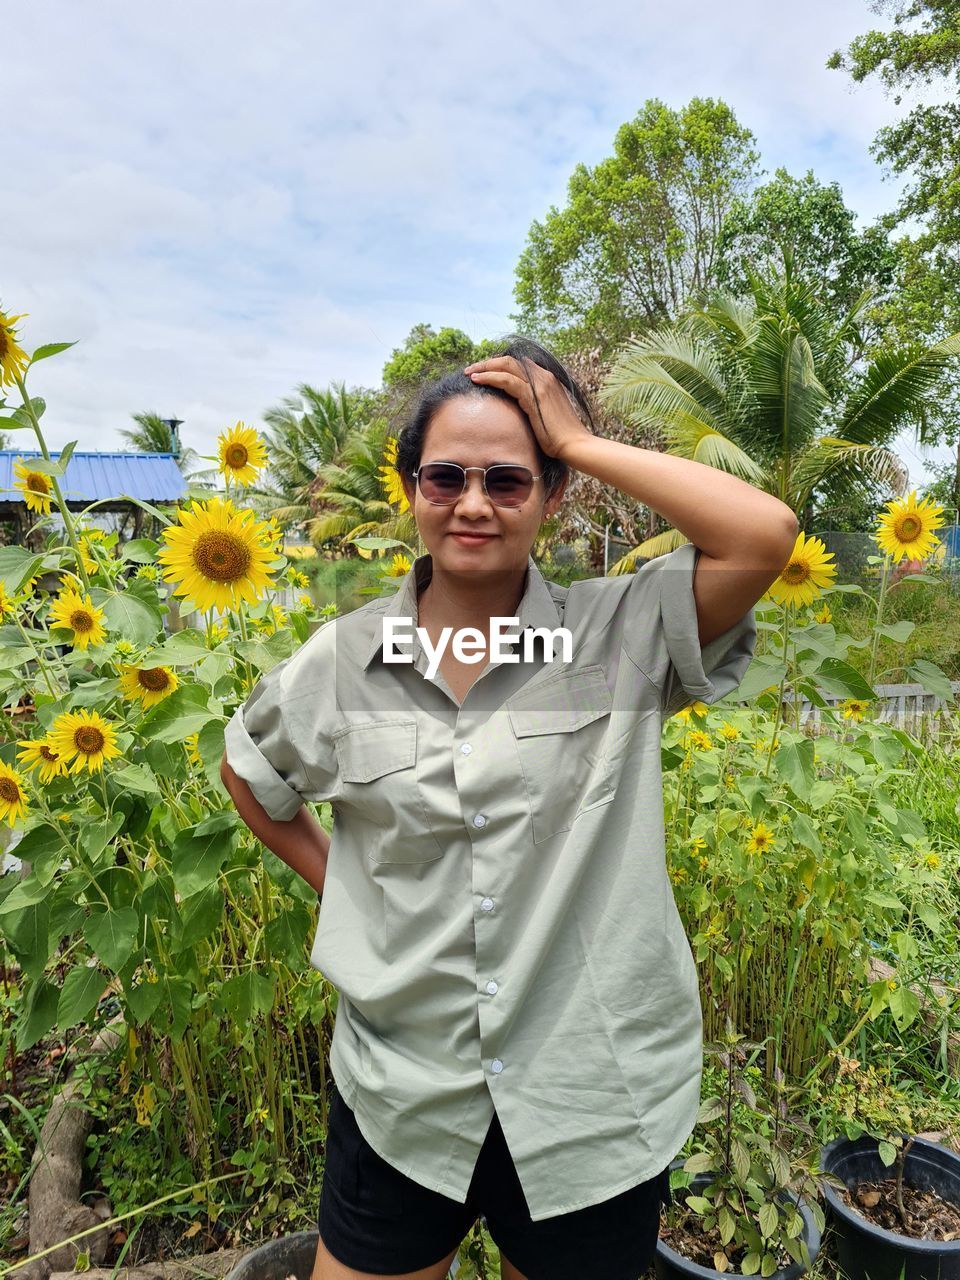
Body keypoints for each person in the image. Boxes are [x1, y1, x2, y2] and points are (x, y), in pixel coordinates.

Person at [220, 336, 799, 1280]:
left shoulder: (622, 635)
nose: (474, 502)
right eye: (445, 476)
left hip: (590, 1095)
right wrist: (343, 889)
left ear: (554, 494)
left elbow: (763, 535)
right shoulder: (343, 659)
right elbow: (252, 772)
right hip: (405, 1089)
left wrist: (574, 434)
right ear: (412, 488)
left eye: (510, 478)